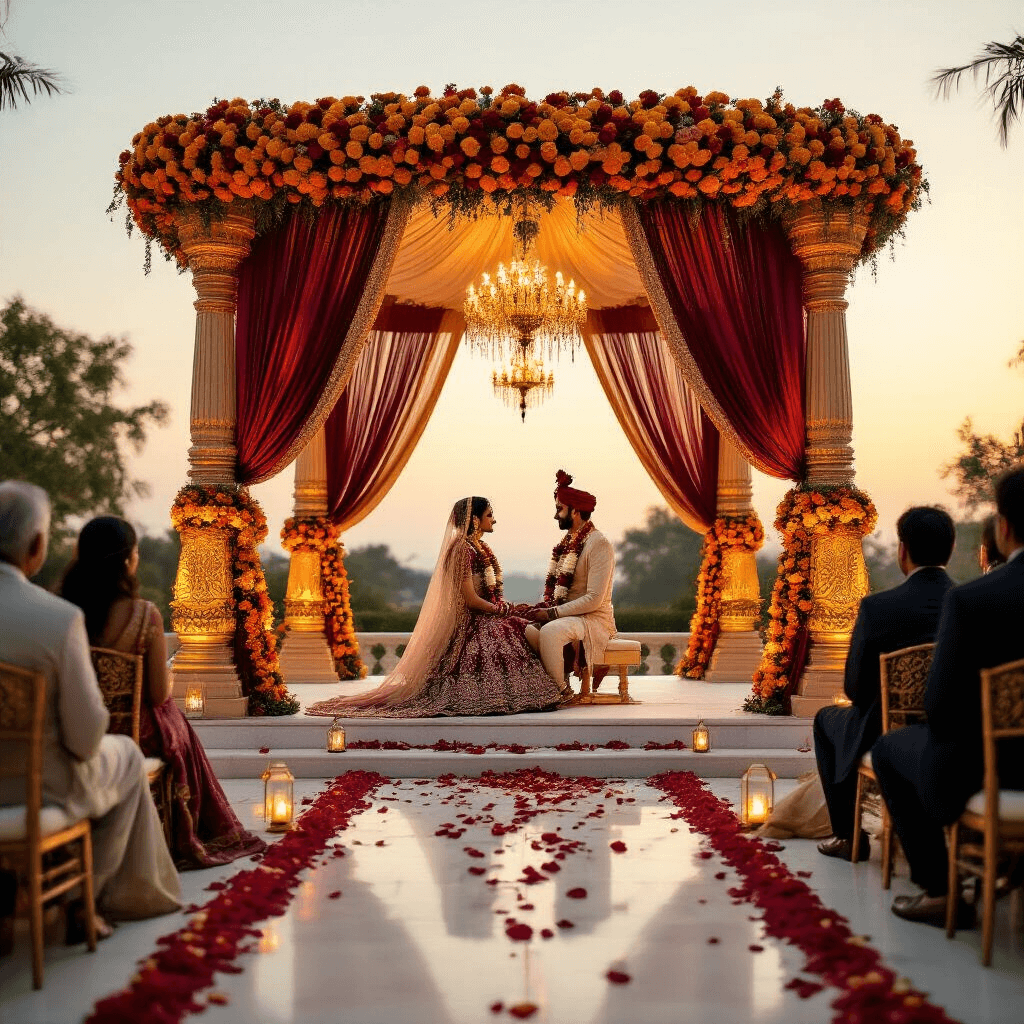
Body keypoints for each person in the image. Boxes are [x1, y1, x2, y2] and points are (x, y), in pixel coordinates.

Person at [0, 483, 180, 937]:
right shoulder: (55, 619)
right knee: (128, 759)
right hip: (39, 790)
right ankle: (86, 900)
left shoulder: (64, 605)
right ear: (37, 547)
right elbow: (84, 738)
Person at [59, 516, 266, 869]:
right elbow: (156, 694)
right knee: (174, 719)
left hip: (70, 727)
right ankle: (183, 831)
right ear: (128, 559)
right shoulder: (143, 615)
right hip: (130, 732)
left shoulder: (61, 611)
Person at [873, 467, 1024, 926]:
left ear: (1004, 528)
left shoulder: (975, 600)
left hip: (999, 768)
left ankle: (941, 890)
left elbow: (940, 706)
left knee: (889, 748)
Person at [306, 497, 564, 718]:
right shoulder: (463, 550)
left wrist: (505, 609)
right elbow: (471, 600)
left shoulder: (479, 547)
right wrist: (502, 611)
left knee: (527, 627)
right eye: (489, 515)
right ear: (474, 520)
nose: (494, 520)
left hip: (488, 614)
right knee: (521, 631)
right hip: (474, 621)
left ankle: (558, 688)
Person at [814, 506, 956, 861]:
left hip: (882, 729)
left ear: (903, 551)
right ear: (950, 550)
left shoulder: (879, 607)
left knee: (825, 720)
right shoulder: (967, 602)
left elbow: (854, 689)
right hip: (952, 727)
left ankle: (848, 837)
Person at [524, 470, 617, 699]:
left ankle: (558, 693)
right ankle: (554, 684)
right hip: (569, 617)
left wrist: (552, 613)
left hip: (593, 619)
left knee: (552, 631)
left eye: (559, 509)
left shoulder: (599, 544)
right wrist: (543, 609)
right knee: (523, 628)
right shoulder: (566, 544)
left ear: (575, 511)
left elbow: (594, 598)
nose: (556, 516)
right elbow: (557, 590)